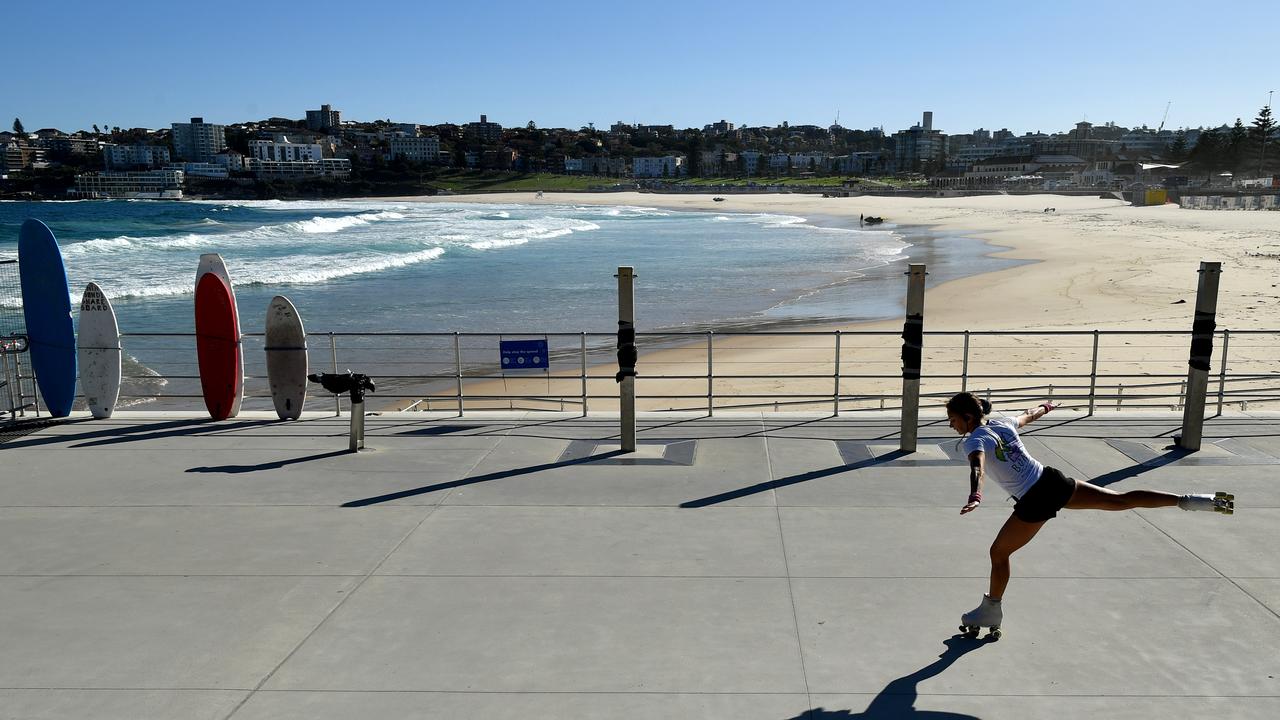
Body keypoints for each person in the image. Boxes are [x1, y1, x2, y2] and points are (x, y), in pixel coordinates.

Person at [945, 391, 1233, 636]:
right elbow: (1028, 415)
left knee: (999, 553)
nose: (951, 425)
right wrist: (1046, 407)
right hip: (1052, 479)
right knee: (1121, 500)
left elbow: (977, 466)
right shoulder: (1002, 423)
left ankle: (991, 611)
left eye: (954, 420)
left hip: (1035, 499)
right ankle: (1203, 501)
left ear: (968, 418)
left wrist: (976, 495)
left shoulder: (973, 440)